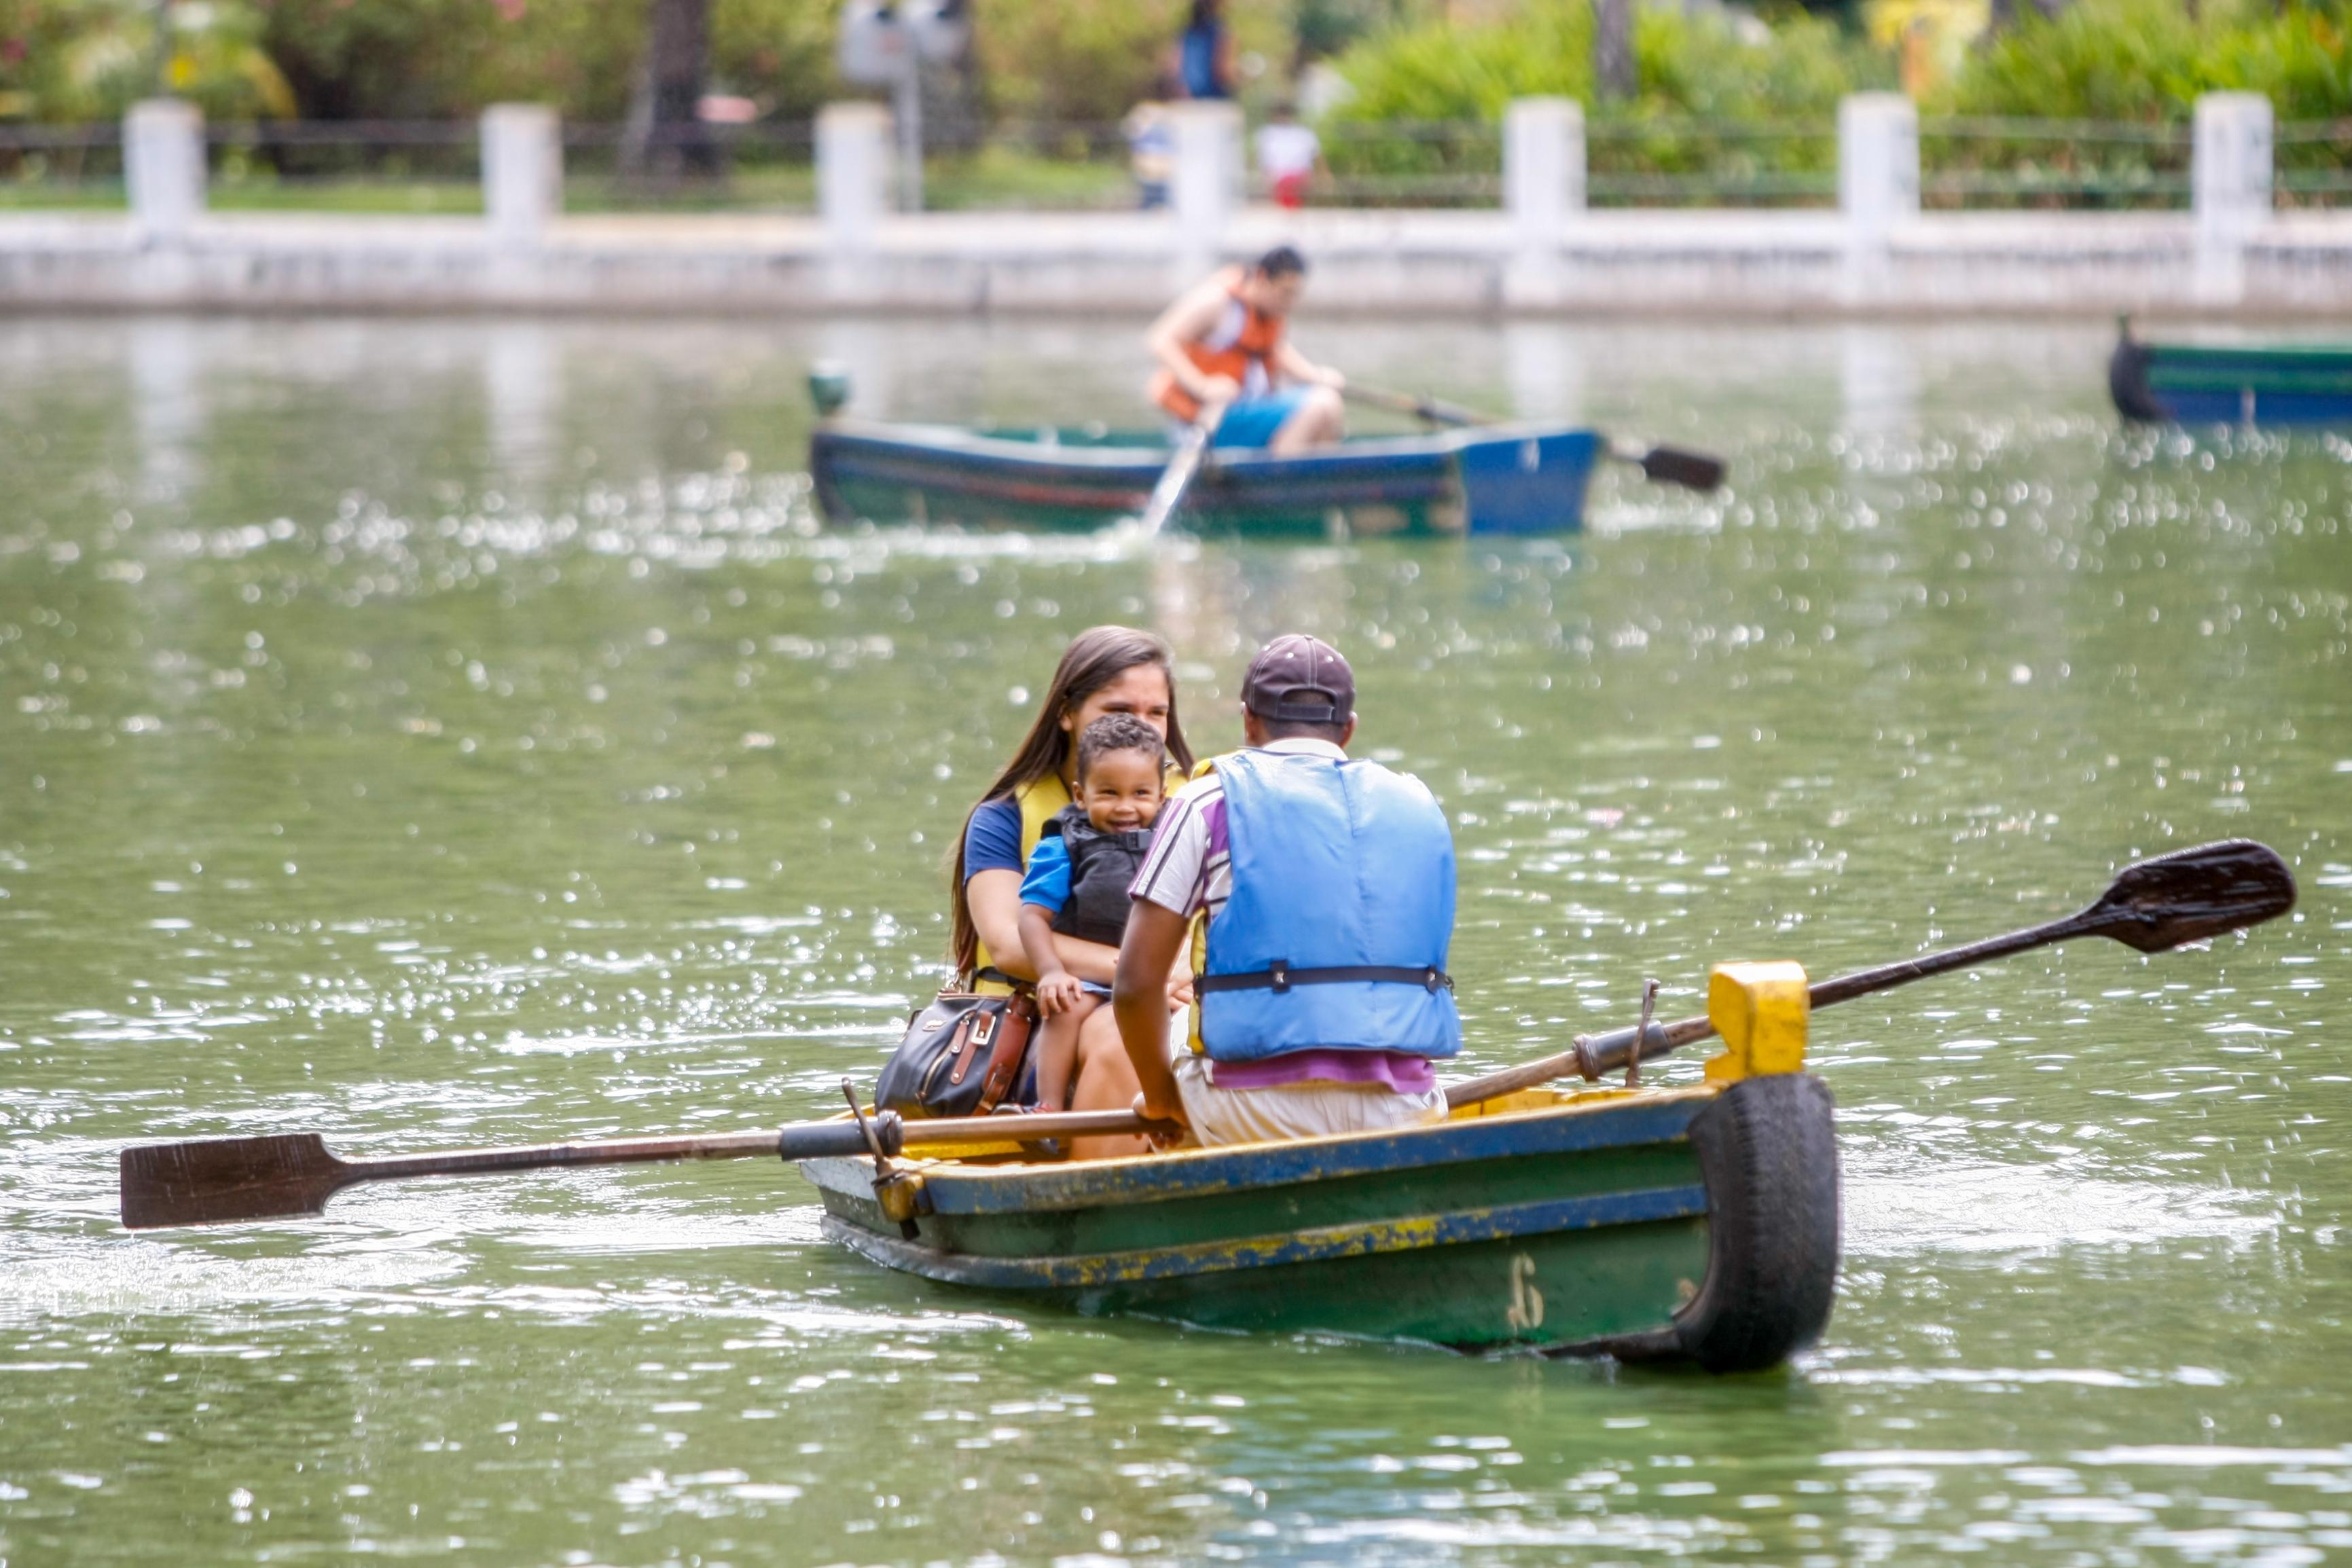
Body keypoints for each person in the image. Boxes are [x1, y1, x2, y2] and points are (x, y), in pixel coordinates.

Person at [1113, 634, 1460, 1148]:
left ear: (1248, 720)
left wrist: (1162, 1099)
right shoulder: (1419, 804)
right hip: (1403, 1105)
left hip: (1248, 1109)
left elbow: (1134, 986)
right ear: (1348, 729)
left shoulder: (1205, 798)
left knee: (1177, 1025)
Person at [952, 626, 1194, 1158]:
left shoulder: (1197, 806)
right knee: (1118, 1031)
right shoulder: (1001, 819)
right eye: (1118, 709)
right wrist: (1143, 975)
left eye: (1156, 713)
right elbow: (1012, 943)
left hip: (1179, 996)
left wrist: (1186, 978)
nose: (1140, 726)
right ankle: (1092, 1199)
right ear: (1066, 712)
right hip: (1050, 1014)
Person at [1015, 714, 1171, 1116]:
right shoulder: (1063, 845)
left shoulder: (1177, 837)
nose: (1125, 808)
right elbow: (1032, 917)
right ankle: (1046, 1107)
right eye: (1108, 793)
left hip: (1159, 979)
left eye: (1140, 793)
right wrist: (1051, 971)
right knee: (1067, 1008)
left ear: (1162, 793)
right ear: (1080, 795)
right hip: (1087, 980)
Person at [1146, 247, 1347, 455]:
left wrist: (1316, 376)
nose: (1289, 303)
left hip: (1250, 410)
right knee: (1322, 405)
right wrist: (1203, 386)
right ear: (1262, 278)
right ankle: (1281, 477)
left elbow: (1275, 350)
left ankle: (1313, 480)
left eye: (1295, 295)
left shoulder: (1268, 313)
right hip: (1210, 419)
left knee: (1329, 405)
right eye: (1285, 293)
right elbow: (1160, 340)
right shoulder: (1216, 302)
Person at [1253, 102, 1325, 211]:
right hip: (1278, 179)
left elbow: (1317, 157)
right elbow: (1263, 162)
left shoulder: (1304, 134)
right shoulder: (1267, 134)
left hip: (1299, 178)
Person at [1177, 0, 1233, 101]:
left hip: (1188, 94)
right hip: (1213, 96)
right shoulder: (1220, 32)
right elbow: (1222, 71)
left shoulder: (1186, 31)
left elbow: (1176, 65)